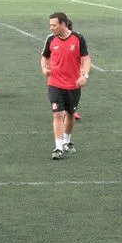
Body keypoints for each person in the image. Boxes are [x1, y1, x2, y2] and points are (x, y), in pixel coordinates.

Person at [40, 12, 91, 160]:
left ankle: (67, 141)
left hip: (73, 84)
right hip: (55, 83)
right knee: (58, 114)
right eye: (50, 25)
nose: (51, 28)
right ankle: (58, 147)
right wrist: (44, 68)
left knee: (70, 114)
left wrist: (84, 76)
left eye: (54, 25)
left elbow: (86, 59)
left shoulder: (78, 38)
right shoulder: (50, 39)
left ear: (63, 24)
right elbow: (44, 56)